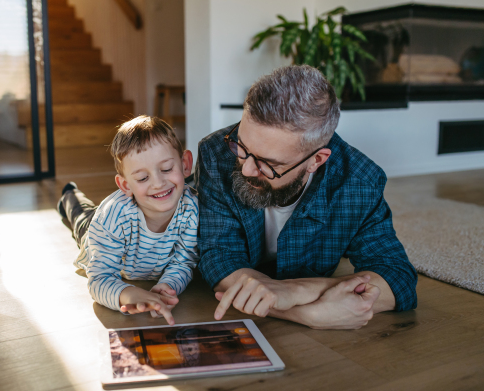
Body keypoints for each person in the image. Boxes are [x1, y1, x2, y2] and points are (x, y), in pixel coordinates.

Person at [195, 65, 418, 330]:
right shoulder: (215, 153)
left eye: (269, 163)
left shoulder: (359, 182)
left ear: (316, 160)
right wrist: (307, 314)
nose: (246, 169)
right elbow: (219, 258)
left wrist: (296, 291)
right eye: (241, 147)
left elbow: (398, 279)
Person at [57, 115, 199, 325]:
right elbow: (99, 278)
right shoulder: (111, 217)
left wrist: (169, 285)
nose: (158, 183)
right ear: (125, 186)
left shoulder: (192, 209)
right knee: (82, 216)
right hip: (98, 230)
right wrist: (127, 293)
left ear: (185, 164)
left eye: (167, 169)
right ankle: (70, 194)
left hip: (121, 225)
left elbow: (184, 261)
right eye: (142, 178)